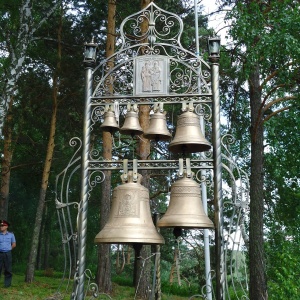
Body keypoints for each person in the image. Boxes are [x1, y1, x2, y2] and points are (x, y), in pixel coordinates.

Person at [0, 220, 16, 287]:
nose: (1, 227)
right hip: (0, 253)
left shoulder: (11, 235)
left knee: (8, 269)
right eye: (0, 226)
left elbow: (14, 244)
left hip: (7, 253)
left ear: (6, 226)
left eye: (3, 226)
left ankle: (7, 285)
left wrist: (9, 249)